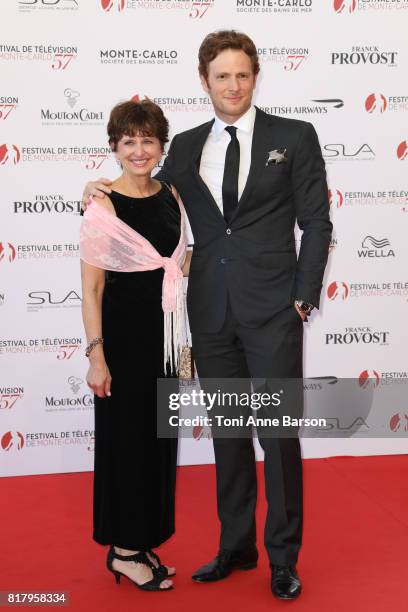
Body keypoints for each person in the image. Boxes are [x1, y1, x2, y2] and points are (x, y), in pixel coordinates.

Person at [82, 30, 332, 600]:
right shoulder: (187, 147)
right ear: (205, 81)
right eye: (222, 76)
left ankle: (283, 558)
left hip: (274, 314)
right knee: (227, 434)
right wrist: (95, 190)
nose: (233, 85)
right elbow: (139, 188)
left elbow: (316, 222)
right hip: (211, 316)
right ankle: (236, 544)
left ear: (255, 77)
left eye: (242, 74)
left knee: (277, 436)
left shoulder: (295, 136)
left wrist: (302, 297)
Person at [80, 99, 190, 592]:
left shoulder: (172, 195)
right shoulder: (103, 205)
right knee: (126, 445)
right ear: (114, 147)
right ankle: (123, 551)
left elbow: (180, 262)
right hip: (123, 344)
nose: (140, 150)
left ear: (161, 146)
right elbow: (93, 289)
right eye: (129, 141)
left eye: (149, 140)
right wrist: (97, 356)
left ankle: (142, 540)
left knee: (156, 446)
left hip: (164, 341)